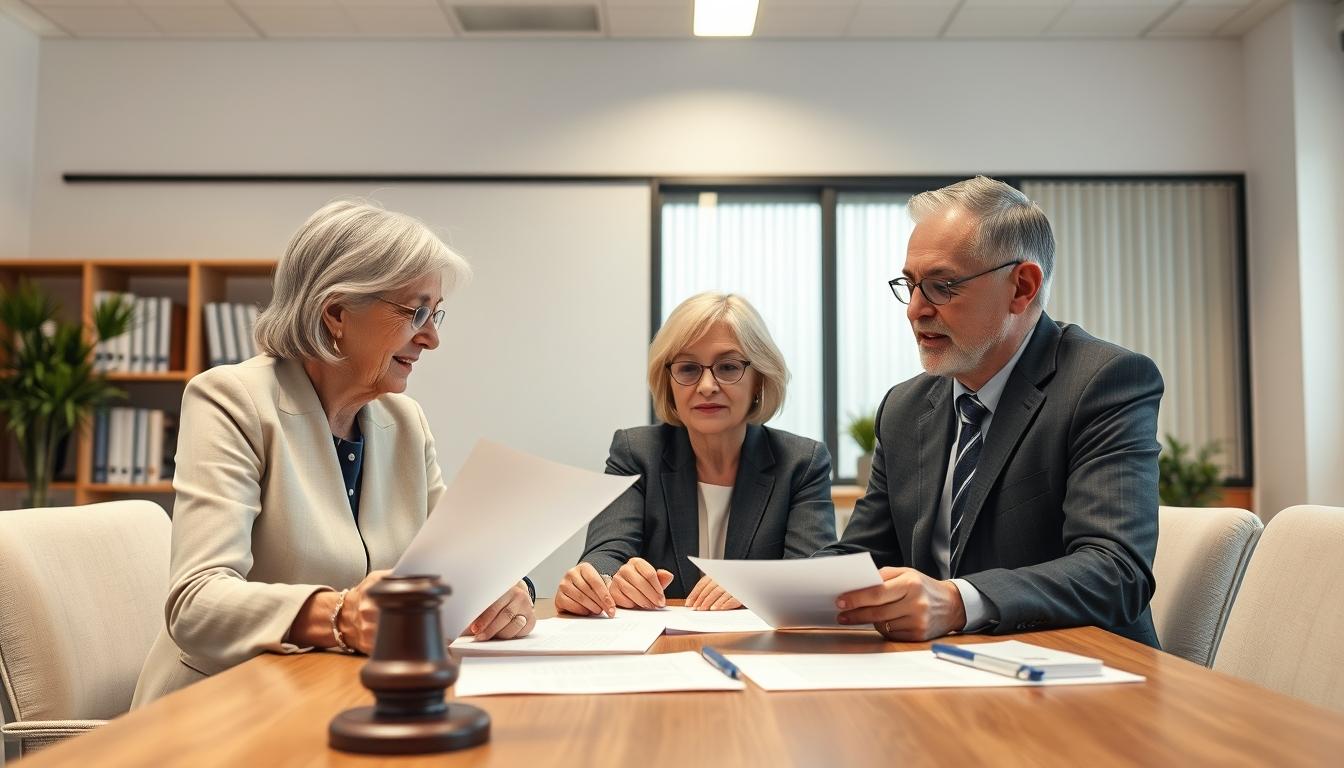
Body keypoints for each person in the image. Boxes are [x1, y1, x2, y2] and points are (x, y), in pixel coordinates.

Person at [133, 200, 535, 706]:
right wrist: (340, 615)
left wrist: (506, 591)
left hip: (335, 697)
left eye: (435, 314)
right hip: (220, 708)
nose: (431, 338)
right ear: (338, 312)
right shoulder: (231, 401)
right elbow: (197, 604)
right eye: (417, 312)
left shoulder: (404, 422)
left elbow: (462, 558)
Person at [821, 176, 1163, 647]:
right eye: (910, 285)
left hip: (1083, 674)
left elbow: (1116, 570)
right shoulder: (905, 407)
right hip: (943, 669)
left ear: (1021, 287)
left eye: (941, 286)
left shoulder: (1104, 381)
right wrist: (761, 590)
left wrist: (959, 602)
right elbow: (866, 553)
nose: (915, 310)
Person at [555, 292, 836, 616]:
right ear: (668, 381)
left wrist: (753, 583)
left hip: (761, 654)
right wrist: (601, 580)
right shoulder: (636, 453)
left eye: (728, 367)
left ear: (759, 378)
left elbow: (817, 574)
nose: (706, 386)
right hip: (660, 653)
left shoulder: (801, 462)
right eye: (688, 369)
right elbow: (605, 555)